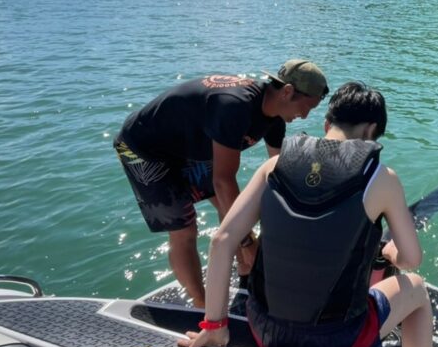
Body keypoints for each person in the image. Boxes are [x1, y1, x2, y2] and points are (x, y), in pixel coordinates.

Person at [178, 82, 438, 347]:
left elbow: (222, 241)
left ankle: (216, 327)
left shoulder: (273, 166)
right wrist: (392, 252)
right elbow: (410, 258)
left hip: (266, 335)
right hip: (336, 346)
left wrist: (215, 326)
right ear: (372, 130)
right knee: (416, 287)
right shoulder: (382, 177)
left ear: (326, 124)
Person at [115, 60, 328, 308]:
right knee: (185, 228)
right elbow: (223, 180)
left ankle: (245, 268)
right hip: (145, 148)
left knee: (226, 203)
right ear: (287, 91)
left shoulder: (275, 116)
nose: (305, 115)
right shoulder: (234, 106)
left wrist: (306, 217)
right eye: (306, 107)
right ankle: (201, 305)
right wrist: (248, 240)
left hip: (190, 146)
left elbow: (279, 173)